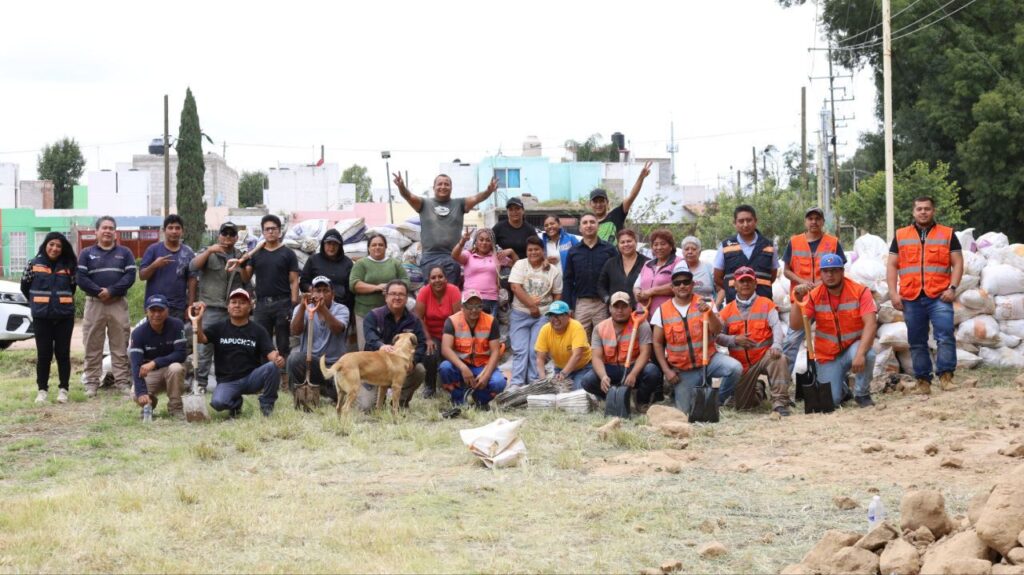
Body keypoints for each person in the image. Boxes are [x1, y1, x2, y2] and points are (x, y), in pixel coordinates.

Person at [886, 196, 963, 395]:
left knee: (945, 336)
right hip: (911, 296)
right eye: (919, 209)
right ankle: (923, 382)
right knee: (917, 341)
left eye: (927, 209)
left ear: (933, 211)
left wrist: (952, 288)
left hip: (939, 295)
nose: (923, 212)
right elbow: (892, 266)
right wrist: (894, 293)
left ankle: (946, 377)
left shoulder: (947, 234)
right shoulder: (901, 235)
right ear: (913, 212)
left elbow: (958, 263)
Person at [791, 254, 878, 407]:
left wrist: (859, 354)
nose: (830, 275)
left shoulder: (860, 291)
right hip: (828, 355)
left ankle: (862, 393)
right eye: (826, 271)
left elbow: (870, 324)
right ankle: (843, 389)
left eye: (834, 271)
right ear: (821, 274)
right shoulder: (814, 295)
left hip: (852, 348)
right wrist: (797, 301)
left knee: (868, 353)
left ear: (842, 271)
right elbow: (796, 325)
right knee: (831, 402)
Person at [652, 266, 742, 412]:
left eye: (686, 281)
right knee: (685, 411)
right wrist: (667, 371)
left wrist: (709, 313)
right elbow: (656, 342)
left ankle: (715, 401)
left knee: (735, 368)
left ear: (693, 284)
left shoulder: (706, 302)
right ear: (672, 287)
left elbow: (717, 330)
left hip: (710, 361)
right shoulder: (662, 311)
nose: (682, 285)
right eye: (677, 283)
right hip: (684, 370)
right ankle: (677, 391)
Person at [393, 172, 498, 285]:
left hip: (452, 257)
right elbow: (409, 196)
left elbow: (477, 198)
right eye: (440, 184)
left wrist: (489, 191)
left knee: (451, 294)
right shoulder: (424, 203)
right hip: (430, 257)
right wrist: (401, 186)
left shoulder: (460, 204)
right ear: (434, 187)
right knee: (432, 294)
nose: (443, 187)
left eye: (446, 184)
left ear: (451, 188)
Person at [194, 290, 284, 417]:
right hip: (227, 381)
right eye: (233, 302)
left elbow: (272, 355)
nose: (237, 305)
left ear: (249, 307)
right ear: (228, 307)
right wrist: (198, 319)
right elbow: (200, 338)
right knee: (217, 403)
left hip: (251, 378)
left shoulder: (258, 330)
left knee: (272, 367)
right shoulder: (219, 327)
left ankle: (267, 406)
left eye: (242, 303)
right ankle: (236, 404)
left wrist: (278, 359)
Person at [235, 215, 300, 388]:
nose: (270, 232)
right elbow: (246, 277)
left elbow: (294, 281)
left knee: (283, 342)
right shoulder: (257, 254)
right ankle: (266, 378)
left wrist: (293, 304)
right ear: (263, 232)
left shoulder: (288, 253)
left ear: (279, 231)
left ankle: (285, 381)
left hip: (282, 303)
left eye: (274, 228)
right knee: (262, 341)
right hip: (262, 304)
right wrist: (243, 263)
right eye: (267, 229)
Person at [717, 267, 791, 416]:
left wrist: (776, 345)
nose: (745, 284)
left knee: (779, 359)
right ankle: (758, 389)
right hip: (742, 366)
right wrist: (734, 339)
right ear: (734, 285)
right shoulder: (726, 311)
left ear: (755, 284)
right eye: (742, 281)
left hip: (764, 356)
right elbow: (717, 336)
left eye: (749, 281)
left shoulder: (766, 304)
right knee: (743, 407)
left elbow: (777, 326)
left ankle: (779, 402)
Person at [77, 215, 137, 397]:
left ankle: (122, 382)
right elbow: (81, 279)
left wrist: (111, 291)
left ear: (115, 232)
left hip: (117, 303)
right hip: (94, 303)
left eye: (111, 228)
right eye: (104, 228)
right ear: (96, 232)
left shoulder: (125, 253)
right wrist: (98, 292)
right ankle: (92, 383)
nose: (108, 231)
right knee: (92, 344)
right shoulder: (86, 254)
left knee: (120, 344)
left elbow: (129, 277)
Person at [782, 207, 846, 370]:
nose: (814, 222)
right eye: (810, 218)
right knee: (791, 341)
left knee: (834, 339)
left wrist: (820, 283)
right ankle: (782, 386)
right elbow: (787, 270)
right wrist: (801, 282)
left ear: (823, 222)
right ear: (805, 222)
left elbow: (840, 270)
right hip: (802, 300)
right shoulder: (794, 242)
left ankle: (837, 380)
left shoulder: (833, 242)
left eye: (817, 218)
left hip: (826, 298)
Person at [189, 222, 248, 391]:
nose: (228, 237)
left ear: (236, 237)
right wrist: (209, 251)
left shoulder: (240, 256)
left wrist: (241, 264)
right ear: (219, 235)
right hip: (210, 309)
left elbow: (245, 281)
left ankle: (229, 383)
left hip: (232, 311)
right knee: (204, 349)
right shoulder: (208, 252)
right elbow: (192, 267)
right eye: (225, 233)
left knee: (231, 347)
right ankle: (200, 384)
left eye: (231, 234)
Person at [21, 232, 77, 405]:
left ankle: (63, 390)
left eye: (58, 246)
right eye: (51, 244)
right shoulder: (33, 264)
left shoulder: (69, 266)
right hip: (41, 317)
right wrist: (39, 304)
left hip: (64, 317)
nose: (54, 248)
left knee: (63, 354)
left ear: (63, 249)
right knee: (44, 355)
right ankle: (42, 390)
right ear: (45, 245)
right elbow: (25, 287)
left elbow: (72, 288)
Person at [581, 292, 663, 409]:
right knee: (587, 380)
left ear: (631, 308)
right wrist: (603, 376)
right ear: (609, 308)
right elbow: (596, 357)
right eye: (616, 307)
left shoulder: (642, 325)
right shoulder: (600, 328)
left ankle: (640, 401)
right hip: (610, 368)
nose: (620, 310)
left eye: (624, 306)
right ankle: (612, 398)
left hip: (633, 366)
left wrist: (634, 374)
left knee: (652, 371)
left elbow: (645, 353)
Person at [360, 280, 428, 410]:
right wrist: (381, 346)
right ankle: (376, 398)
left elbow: (422, 345)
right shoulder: (373, 316)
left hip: (400, 368)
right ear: (386, 297)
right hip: (375, 369)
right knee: (367, 407)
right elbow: (370, 337)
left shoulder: (414, 321)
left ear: (407, 297)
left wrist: (413, 362)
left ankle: (399, 402)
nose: (397, 297)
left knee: (419, 370)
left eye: (401, 294)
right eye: (393, 294)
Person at [508, 236, 563, 389]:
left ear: (542, 251)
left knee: (536, 350)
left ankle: (534, 382)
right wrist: (532, 306)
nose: (533, 252)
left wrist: (553, 313)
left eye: (537, 249)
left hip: (543, 316)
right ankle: (517, 383)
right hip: (520, 313)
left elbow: (557, 293)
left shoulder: (553, 271)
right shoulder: (520, 264)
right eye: (530, 250)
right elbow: (515, 287)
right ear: (526, 251)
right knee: (520, 350)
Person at [438, 290, 506, 408]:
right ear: (462, 307)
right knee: (445, 368)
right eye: (470, 306)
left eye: (478, 306)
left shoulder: (491, 321)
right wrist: (463, 368)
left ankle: (480, 399)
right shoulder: (452, 321)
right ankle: (458, 399)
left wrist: (486, 375)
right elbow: (445, 349)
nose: (474, 310)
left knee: (499, 383)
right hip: (461, 365)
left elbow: (495, 351)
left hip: (483, 366)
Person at [287, 276, 349, 403]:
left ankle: (328, 392)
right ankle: (301, 397)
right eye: (317, 291)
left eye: (325, 291)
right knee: (294, 358)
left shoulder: (342, 309)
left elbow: (337, 329)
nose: (321, 294)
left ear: (333, 294)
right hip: (312, 363)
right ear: (311, 293)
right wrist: (302, 307)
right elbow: (294, 331)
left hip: (335, 366)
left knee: (344, 397)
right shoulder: (302, 308)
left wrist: (322, 309)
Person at [129, 295, 187, 419]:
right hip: (151, 373)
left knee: (176, 368)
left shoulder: (177, 325)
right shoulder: (138, 333)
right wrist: (141, 392)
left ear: (167, 311)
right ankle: (149, 404)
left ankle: (176, 409)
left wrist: (155, 362)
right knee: (135, 394)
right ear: (146, 311)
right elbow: (136, 364)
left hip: (171, 371)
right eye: (152, 310)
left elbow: (181, 354)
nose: (156, 314)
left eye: (160, 310)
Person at [350, 234, 409, 351]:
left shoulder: (394, 263)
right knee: (366, 349)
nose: (377, 247)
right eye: (374, 245)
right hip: (364, 312)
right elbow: (354, 284)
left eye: (381, 245)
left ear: (386, 247)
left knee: (389, 349)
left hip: (391, 315)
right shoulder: (361, 264)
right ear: (368, 248)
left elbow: (406, 281)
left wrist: (391, 289)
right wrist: (377, 288)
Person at [563, 213, 617, 339]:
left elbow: (616, 276)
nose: (589, 225)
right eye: (585, 222)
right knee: (580, 342)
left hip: (603, 304)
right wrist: (568, 306)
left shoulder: (609, 249)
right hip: (582, 304)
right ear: (580, 228)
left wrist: (612, 302)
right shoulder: (573, 251)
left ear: (598, 226)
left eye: (592, 222)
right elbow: (568, 280)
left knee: (604, 340)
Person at [713, 204, 779, 304]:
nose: (745, 224)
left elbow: (772, 276)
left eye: (749, 220)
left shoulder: (769, 245)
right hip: (735, 304)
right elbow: (717, 278)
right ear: (734, 223)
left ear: (755, 221)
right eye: (741, 221)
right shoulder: (725, 246)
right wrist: (733, 288)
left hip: (763, 303)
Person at [138, 214, 197, 322]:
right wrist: (154, 265)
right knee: (154, 338)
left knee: (176, 338)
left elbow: (192, 280)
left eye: (177, 228)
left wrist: (190, 305)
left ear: (182, 231)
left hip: (178, 307)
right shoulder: (153, 250)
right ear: (164, 230)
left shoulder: (188, 253)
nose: (174, 231)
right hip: (155, 305)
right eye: (170, 228)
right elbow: (142, 276)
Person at [415, 266, 462, 398]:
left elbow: (457, 318)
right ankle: (429, 386)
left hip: (451, 333)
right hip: (432, 334)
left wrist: (450, 341)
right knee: (430, 353)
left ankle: (454, 383)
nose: (437, 280)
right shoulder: (424, 292)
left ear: (446, 278)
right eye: (433, 277)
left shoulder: (453, 290)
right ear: (429, 280)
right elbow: (419, 318)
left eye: (440, 276)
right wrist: (428, 339)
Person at [534, 300, 592, 390]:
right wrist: (543, 380)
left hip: (583, 367)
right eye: (552, 315)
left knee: (578, 391)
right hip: (560, 368)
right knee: (552, 392)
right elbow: (540, 358)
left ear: (568, 316)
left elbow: (577, 355)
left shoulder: (576, 327)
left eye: (559, 315)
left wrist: (563, 374)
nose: (555, 319)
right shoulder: (545, 329)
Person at [590, 160, 652, 245]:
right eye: (595, 202)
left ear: (607, 202)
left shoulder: (616, 214)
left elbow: (631, 196)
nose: (598, 205)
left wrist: (641, 177)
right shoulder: (589, 224)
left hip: (617, 257)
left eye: (601, 201)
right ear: (590, 204)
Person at [300, 229, 354, 320]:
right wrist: (315, 291)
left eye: (335, 244)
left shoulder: (347, 263)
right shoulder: (313, 260)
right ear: (323, 244)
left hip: (340, 308)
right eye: (329, 243)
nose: (332, 247)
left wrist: (349, 310)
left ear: (340, 246)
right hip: (316, 306)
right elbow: (303, 282)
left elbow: (350, 290)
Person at [452, 227, 501, 316]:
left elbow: (514, 263)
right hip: (470, 299)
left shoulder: (497, 256)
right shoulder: (468, 255)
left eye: (487, 240)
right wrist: (462, 241)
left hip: (490, 300)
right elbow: (454, 255)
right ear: (476, 242)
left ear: (492, 243)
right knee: (468, 329)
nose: (484, 243)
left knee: (488, 329)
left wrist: (511, 252)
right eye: (481, 240)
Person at [598, 228, 648, 309]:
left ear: (635, 242)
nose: (626, 244)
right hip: (616, 312)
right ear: (618, 244)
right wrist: (608, 300)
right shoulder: (610, 263)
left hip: (639, 311)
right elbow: (600, 286)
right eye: (622, 242)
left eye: (629, 241)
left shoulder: (647, 263)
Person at [634, 229, 681, 312]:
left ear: (671, 246)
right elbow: (637, 285)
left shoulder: (678, 262)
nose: (659, 247)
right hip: (643, 313)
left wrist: (652, 291)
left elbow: (679, 285)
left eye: (663, 244)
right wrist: (637, 293)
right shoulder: (647, 264)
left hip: (666, 313)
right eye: (655, 244)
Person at [492, 196, 536, 261]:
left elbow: (537, 248)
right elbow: (488, 242)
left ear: (523, 210)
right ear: (507, 212)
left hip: (525, 265)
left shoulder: (530, 229)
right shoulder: (499, 227)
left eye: (517, 208)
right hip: (504, 266)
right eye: (511, 209)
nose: (514, 212)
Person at [675, 236, 717, 301]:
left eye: (694, 249)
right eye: (686, 249)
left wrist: (715, 307)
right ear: (682, 252)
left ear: (699, 252)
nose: (690, 252)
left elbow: (721, 290)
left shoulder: (708, 267)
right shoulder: (678, 268)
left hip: (708, 308)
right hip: (685, 308)